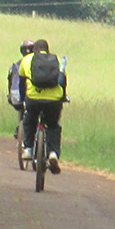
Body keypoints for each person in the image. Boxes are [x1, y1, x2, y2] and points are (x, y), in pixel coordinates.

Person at [18, 38, 67, 173]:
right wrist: (63, 97)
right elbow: (62, 80)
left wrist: (23, 100)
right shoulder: (55, 60)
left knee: (29, 120)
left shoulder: (27, 60)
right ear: (47, 49)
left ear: (34, 49)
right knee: (52, 125)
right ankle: (53, 153)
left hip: (33, 98)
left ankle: (28, 149)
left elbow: (22, 83)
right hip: (53, 100)